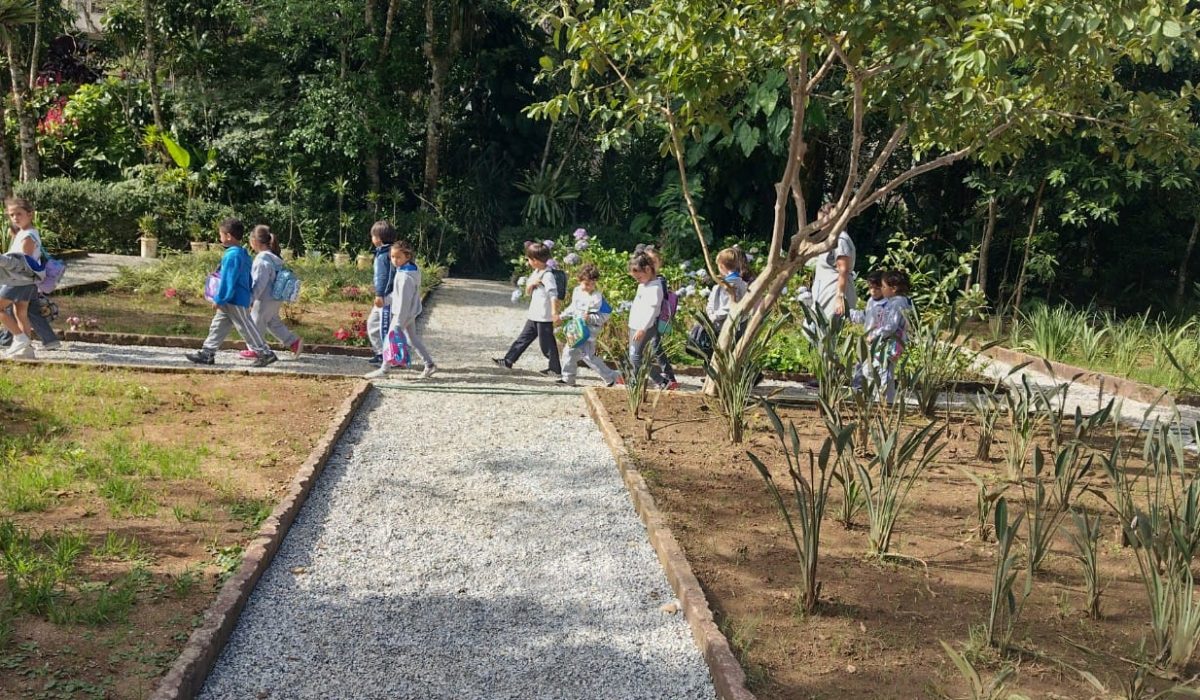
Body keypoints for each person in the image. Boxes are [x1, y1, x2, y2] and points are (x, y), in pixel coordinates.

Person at [185, 218, 278, 368]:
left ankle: (265, 353)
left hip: (234, 299)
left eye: (221, 234)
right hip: (235, 298)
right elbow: (248, 277)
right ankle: (208, 353)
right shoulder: (242, 253)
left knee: (245, 326)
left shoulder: (232, 255)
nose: (219, 237)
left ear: (228, 236)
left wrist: (219, 298)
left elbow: (228, 280)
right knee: (218, 325)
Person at [366, 240, 436, 380]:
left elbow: (403, 302)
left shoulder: (405, 277)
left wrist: (398, 322)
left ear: (407, 257)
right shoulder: (407, 269)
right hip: (409, 313)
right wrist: (385, 300)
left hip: (403, 314)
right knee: (413, 339)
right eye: (392, 257)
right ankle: (429, 364)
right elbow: (398, 295)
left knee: (389, 338)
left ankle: (385, 370)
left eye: (398, 257)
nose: (394, 260)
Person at [493, 241, 560, 375]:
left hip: (544, 316)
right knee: (523, 338)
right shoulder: (536, 272)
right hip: (534, 314)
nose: (528, 261)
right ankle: (508, 360)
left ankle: (555, 368)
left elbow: (553, 294)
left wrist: (554, 312)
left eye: (529, 258)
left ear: (535, 260)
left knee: (547, 344)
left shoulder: (548, 275)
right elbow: (528, 292)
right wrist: (532, 284)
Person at [237, 225, 302, 360]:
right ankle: (293, 342)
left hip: (263, 299)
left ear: (254, 241)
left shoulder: (261, 260)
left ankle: (255, 350)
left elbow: (259, 283)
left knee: (255, 322)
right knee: (273, 322)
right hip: (275, 297)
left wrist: (250, 299)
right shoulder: (273, 258)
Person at [557, 263, 619, 387]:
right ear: (579, 280)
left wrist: (590, 318)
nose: (588, 287)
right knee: (569, 352)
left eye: (592, 284)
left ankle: (611, 377)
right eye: (586, 284)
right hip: (576, 329)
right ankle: (568, 378)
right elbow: (573, 307)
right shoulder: (577, 291)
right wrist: (562, 316)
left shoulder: (598, 298)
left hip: (588, 332)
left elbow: (606, 315)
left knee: (588, 356)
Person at [0, 198, 46, 359]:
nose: (15, 218)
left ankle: (20, 338)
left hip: (18, 281)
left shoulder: (28, 236)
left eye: (19, 214)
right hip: (25, 281)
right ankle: (26, 350)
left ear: (30, 214)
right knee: (20, 313)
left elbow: (22, 263)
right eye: (12, 215)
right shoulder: (25, 233)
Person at [687, 247, 749, 362]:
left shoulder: (738, 285)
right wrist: (710, 315)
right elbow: (710, 303)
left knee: (722, 354)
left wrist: (714, 316)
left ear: (722, 266)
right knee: (715, 353)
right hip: (718, 324)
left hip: (726, 326)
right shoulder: (723, 286)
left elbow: (731, 307)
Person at [867, 270, 914, 402]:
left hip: (890, 344)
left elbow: (891, 326)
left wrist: (874, 335)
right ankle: (885, 399)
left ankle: (884, 401)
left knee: (884, 371)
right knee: (884, 370)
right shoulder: (903, 301)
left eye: (883, 286)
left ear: (893, 288)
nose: (881, 289)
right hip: (895, 343)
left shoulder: (897, 303)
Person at [808, 202, 856, 320]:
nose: (820, 225)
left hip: (833, 296)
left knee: (829, 328)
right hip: (825, 294)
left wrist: (840, 297)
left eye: (822, 221)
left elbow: (843, 269)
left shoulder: (841, 239)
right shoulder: (831, 239)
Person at [639, 245, 679, 390]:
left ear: (659, 264)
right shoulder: (646, 280)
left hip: (654, 319)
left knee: (655, 346)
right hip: (646, 319)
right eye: (648, 261)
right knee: (644, 347)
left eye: (654, 261)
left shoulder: (659, 280)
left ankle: (669, 377)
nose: (651, 264)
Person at [626, 251, 665, 386]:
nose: (638, 280)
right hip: (634, 325)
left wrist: (642, 328)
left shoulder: (655, 288)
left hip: (644, 327)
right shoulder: (643, 285)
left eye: (639, 277)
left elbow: (652, 311)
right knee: (633, 355)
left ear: (648, 269)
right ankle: (635, 382)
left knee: (636, 357)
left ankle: (661, 381)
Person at [365, 221, 397, 367]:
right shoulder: (382, 252)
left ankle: (388, 358)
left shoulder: (386, 255)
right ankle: (380, 353)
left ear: (378, 238)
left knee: (384, 327)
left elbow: (385, 276)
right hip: (384, 295)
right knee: (372, 324)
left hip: (386, 296)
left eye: (373, 235)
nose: (372, 238)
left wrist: (380, 294)